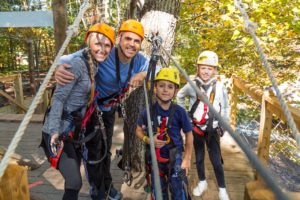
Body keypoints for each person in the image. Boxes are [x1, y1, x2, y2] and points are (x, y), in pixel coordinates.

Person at [54, 19, 148, 200]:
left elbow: (157, 68)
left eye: (137, 41)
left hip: (109, 109)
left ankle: (107, 185)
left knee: (106, 149)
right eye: (128, 39)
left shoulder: (139, 61)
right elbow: (67, 59)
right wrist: (58, 68)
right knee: (95, 151)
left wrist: (142, 74)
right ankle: (97, 191)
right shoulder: (105, 53)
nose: (132, 44)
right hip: (91, 109)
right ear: (119, 38)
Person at [40, 23, 115, 200]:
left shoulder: (93, 64)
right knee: (74, 181)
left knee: (73, 183)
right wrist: (54, 131)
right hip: (57, 132)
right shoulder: (77, 65)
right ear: (89, 42)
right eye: (98, 44)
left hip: (74, 134)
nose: (102, 49)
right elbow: (58, 99)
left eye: (107, 45)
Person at [176, 50, 230, 200]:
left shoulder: (219, 87)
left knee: (216, 160)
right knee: (199, 157)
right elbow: (180, 96)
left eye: (209, 68)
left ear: (215, 70)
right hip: (196, 128)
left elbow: (225, 106)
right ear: (198, 69)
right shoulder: (192, 85)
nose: (206, 71)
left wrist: (224, 123)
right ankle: (202, 182)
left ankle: (222, 188)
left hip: (213, 129)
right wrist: (185, 115)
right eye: (203, 68)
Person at [136, 68, 193, 200]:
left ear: (175, 91)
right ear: (155, 88)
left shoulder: (180, 112)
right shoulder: (147, 112)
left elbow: (189, 135)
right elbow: (138, 130)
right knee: (159, 193)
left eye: (170, 87)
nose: (165, 90)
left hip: (175, 157)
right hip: (155, 158)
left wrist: (187, 159)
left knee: (178, 191)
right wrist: (147, 139)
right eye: (161, 86)